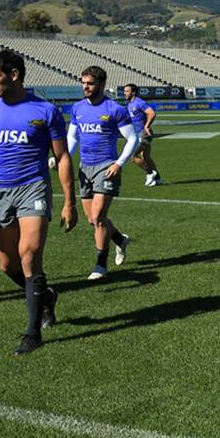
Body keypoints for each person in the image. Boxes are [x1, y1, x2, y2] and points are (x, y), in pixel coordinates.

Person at [0, 49, 77, 355]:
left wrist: (69, 202)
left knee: (29, 255)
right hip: (0, 193)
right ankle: (45, 296)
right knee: (6, 264)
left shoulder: (46, 111)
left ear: (14, 75)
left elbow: (62, 157)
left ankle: (33, 332)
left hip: (34, 189)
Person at [68, 66, 139, 281]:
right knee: (92, 219)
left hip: (106, 166)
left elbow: (132, 139)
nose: (85, 87)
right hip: (85, 167)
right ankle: (120, 239)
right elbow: (72, 137)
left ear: (101, 84)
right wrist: (63, 157)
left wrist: (118, 164)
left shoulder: (115, 109)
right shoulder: (77, 108)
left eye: (89, 83)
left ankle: (101, 264)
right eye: (83, 82)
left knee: (98, 217)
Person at [123, 84, 164, 186]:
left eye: (127, 91)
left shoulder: (139, 102)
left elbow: (152, 113)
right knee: (145, 157)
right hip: (136, 134)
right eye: (124, 91)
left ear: (133, 92)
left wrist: (147, 126)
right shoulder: (129, 104)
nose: (125, 93)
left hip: (143, 133)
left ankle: (150, 173)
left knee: (134, 156)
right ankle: (158, 179)